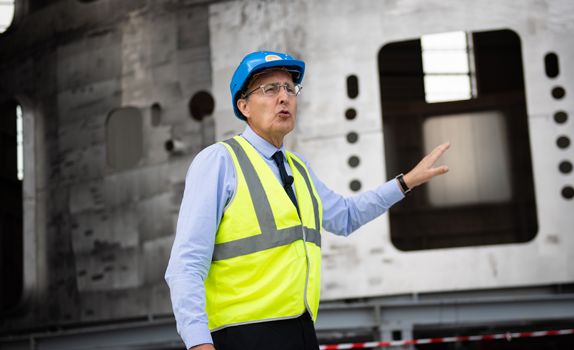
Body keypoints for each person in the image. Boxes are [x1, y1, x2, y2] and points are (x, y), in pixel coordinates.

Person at [165, 51, 450, 350]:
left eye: (290, 88)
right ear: (244, 105)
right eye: (270, 89)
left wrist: (405, 183)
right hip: (241, 335)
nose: (284, 97)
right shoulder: (220, 161)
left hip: (301, 330)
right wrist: (199, 344)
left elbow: (345, 217)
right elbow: (185, 265)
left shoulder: (298, 168)